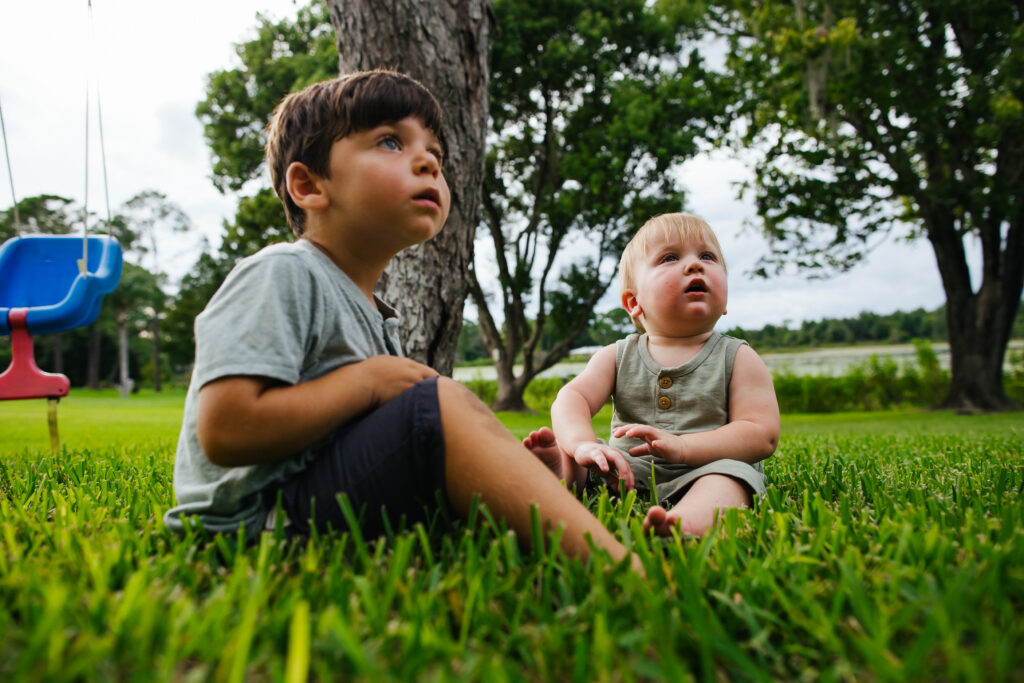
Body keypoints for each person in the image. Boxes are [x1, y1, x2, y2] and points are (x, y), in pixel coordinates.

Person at [164, 70, 636, 568]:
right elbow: (226, 429)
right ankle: (624, 571)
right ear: (308, 185)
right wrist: (369, 383)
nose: (429, 163)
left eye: (436, 154)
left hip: (318, 502)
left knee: (443, 410)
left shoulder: (372, 314)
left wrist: (505, 467)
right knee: (439, 403)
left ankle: (536, 483)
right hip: (248, 525)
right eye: (390, 142)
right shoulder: (283, 272)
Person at [524, 213, 780, 537]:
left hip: (709, 466)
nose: (695, 265)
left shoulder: (739, 357)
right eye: (670, 258)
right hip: (625, 470)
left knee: (730, 481)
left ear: (725, 296)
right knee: (585, 459)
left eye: (707, 256)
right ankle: (561, 470)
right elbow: (572, 398)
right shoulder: (616, 355)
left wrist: (684, 447)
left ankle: (685, 522)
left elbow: (762, 433)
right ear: (634, 302)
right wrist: (583, 445)